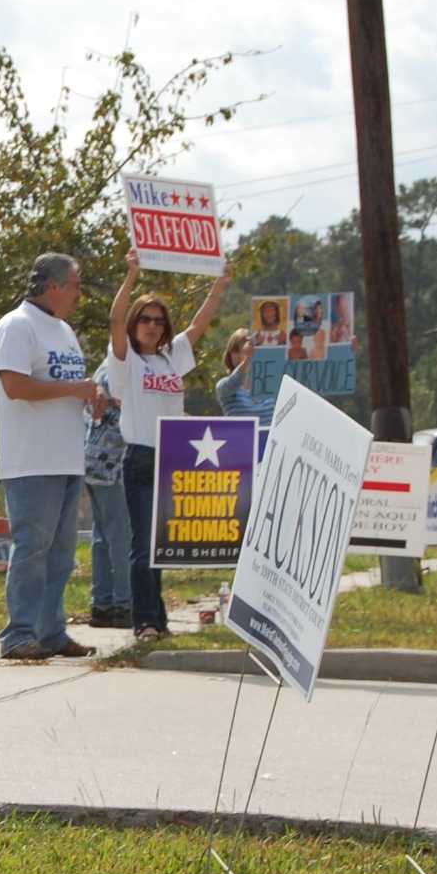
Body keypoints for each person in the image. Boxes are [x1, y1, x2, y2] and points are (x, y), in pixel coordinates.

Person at [107, 250, 231, 641]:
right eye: (145, 318)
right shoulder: (126, 359)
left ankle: (157, 620)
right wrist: (130, 275)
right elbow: (114, 320)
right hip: (141, 457)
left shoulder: (170, 358)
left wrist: (219, 284)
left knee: (160, 547)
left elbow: (199, 323)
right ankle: (143, 621)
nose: (152, 325)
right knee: (143, 546)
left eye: (158, 321)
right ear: (135, 323)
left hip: (174, 458)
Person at [0, 253, 108, 660]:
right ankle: (18, 634)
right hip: (31, 461)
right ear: (54, 286)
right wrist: (74, 390)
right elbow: (16, 387)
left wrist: (90, 399)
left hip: (66, 458)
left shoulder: (64, 331)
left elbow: (65, 386)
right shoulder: (17, 326)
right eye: (76, 284)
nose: (79, 293)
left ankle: (52, 632)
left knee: (60, 556)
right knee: (32, 549)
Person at [83, 359, 131, 629]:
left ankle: (101, 603)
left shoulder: (106, 367)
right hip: (114, 461)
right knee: (121, 535)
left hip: (95, 458)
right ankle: (124, 604)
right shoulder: (121, 369)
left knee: (102, 535)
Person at [214, 327, 273, 427]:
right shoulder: (223, 386)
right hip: (242, 442)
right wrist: (247, 359)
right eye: (236, 350)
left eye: (247, 350)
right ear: (229, 355)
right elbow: (235, 381)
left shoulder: (271, 385)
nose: (241, 354)